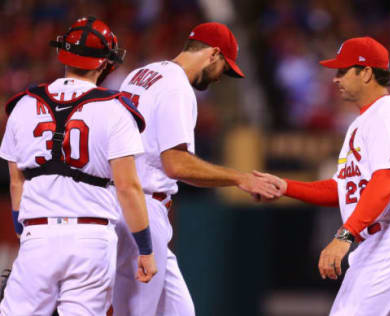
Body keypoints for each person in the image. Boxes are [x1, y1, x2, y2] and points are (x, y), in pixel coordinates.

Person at [112, 22, 281, 315]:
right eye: (224, 69)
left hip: (125, 199)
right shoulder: (178, 87)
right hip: (142, 208)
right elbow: (176, 164)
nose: (220, 78)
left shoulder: (141, 73)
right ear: (213, 54)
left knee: (180, 311)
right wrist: (240, 178)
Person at [254, 37, 390, 315]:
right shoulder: (363, 122)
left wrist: (344, 236)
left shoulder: (386, 117)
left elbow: (386, 182)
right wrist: (286, 186)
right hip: (381, 239)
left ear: (367, 73)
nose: (335, 79)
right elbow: (341, 189)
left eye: (343, 71)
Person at [0, 16, 157, 315]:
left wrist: (25, 231)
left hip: (39, 232)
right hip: (92, 238)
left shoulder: (23, 104)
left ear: (63, 54)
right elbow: (128, 187)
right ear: (104, 62)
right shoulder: (116, 109)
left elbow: (16, 182)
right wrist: (145, 248)